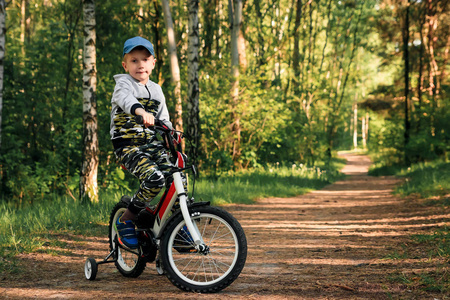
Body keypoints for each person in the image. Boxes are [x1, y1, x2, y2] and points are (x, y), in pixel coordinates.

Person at [110, 36, 173, 249]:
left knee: (176, 177)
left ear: (153, 63)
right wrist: (141, 112)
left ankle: (172, 223)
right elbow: (127, 101)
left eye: (145, 59)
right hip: (127, 144)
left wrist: (170, 134)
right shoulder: (123, 84)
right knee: (155, 178)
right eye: (134, 60)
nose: (140, 65)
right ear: (125, 64)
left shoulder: (157, 90)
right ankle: (126, 218)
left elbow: (164, 118)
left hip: (149, 143)